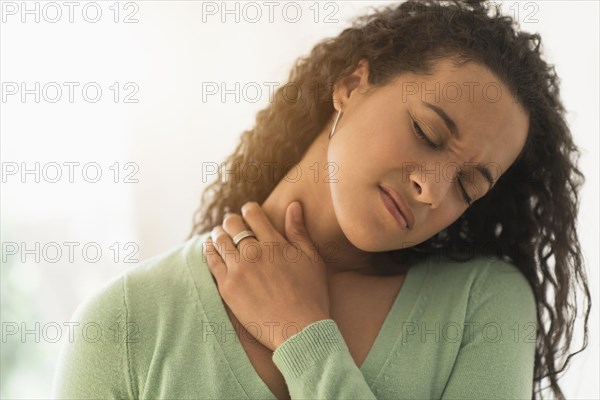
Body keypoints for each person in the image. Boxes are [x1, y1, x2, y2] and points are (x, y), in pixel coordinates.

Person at [52, 1, 591, 399]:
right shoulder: (125, 322)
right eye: (427, 132)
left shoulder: (483, 306)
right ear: (352, 85)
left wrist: (302, 336)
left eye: (468, 185)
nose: (431, 187)